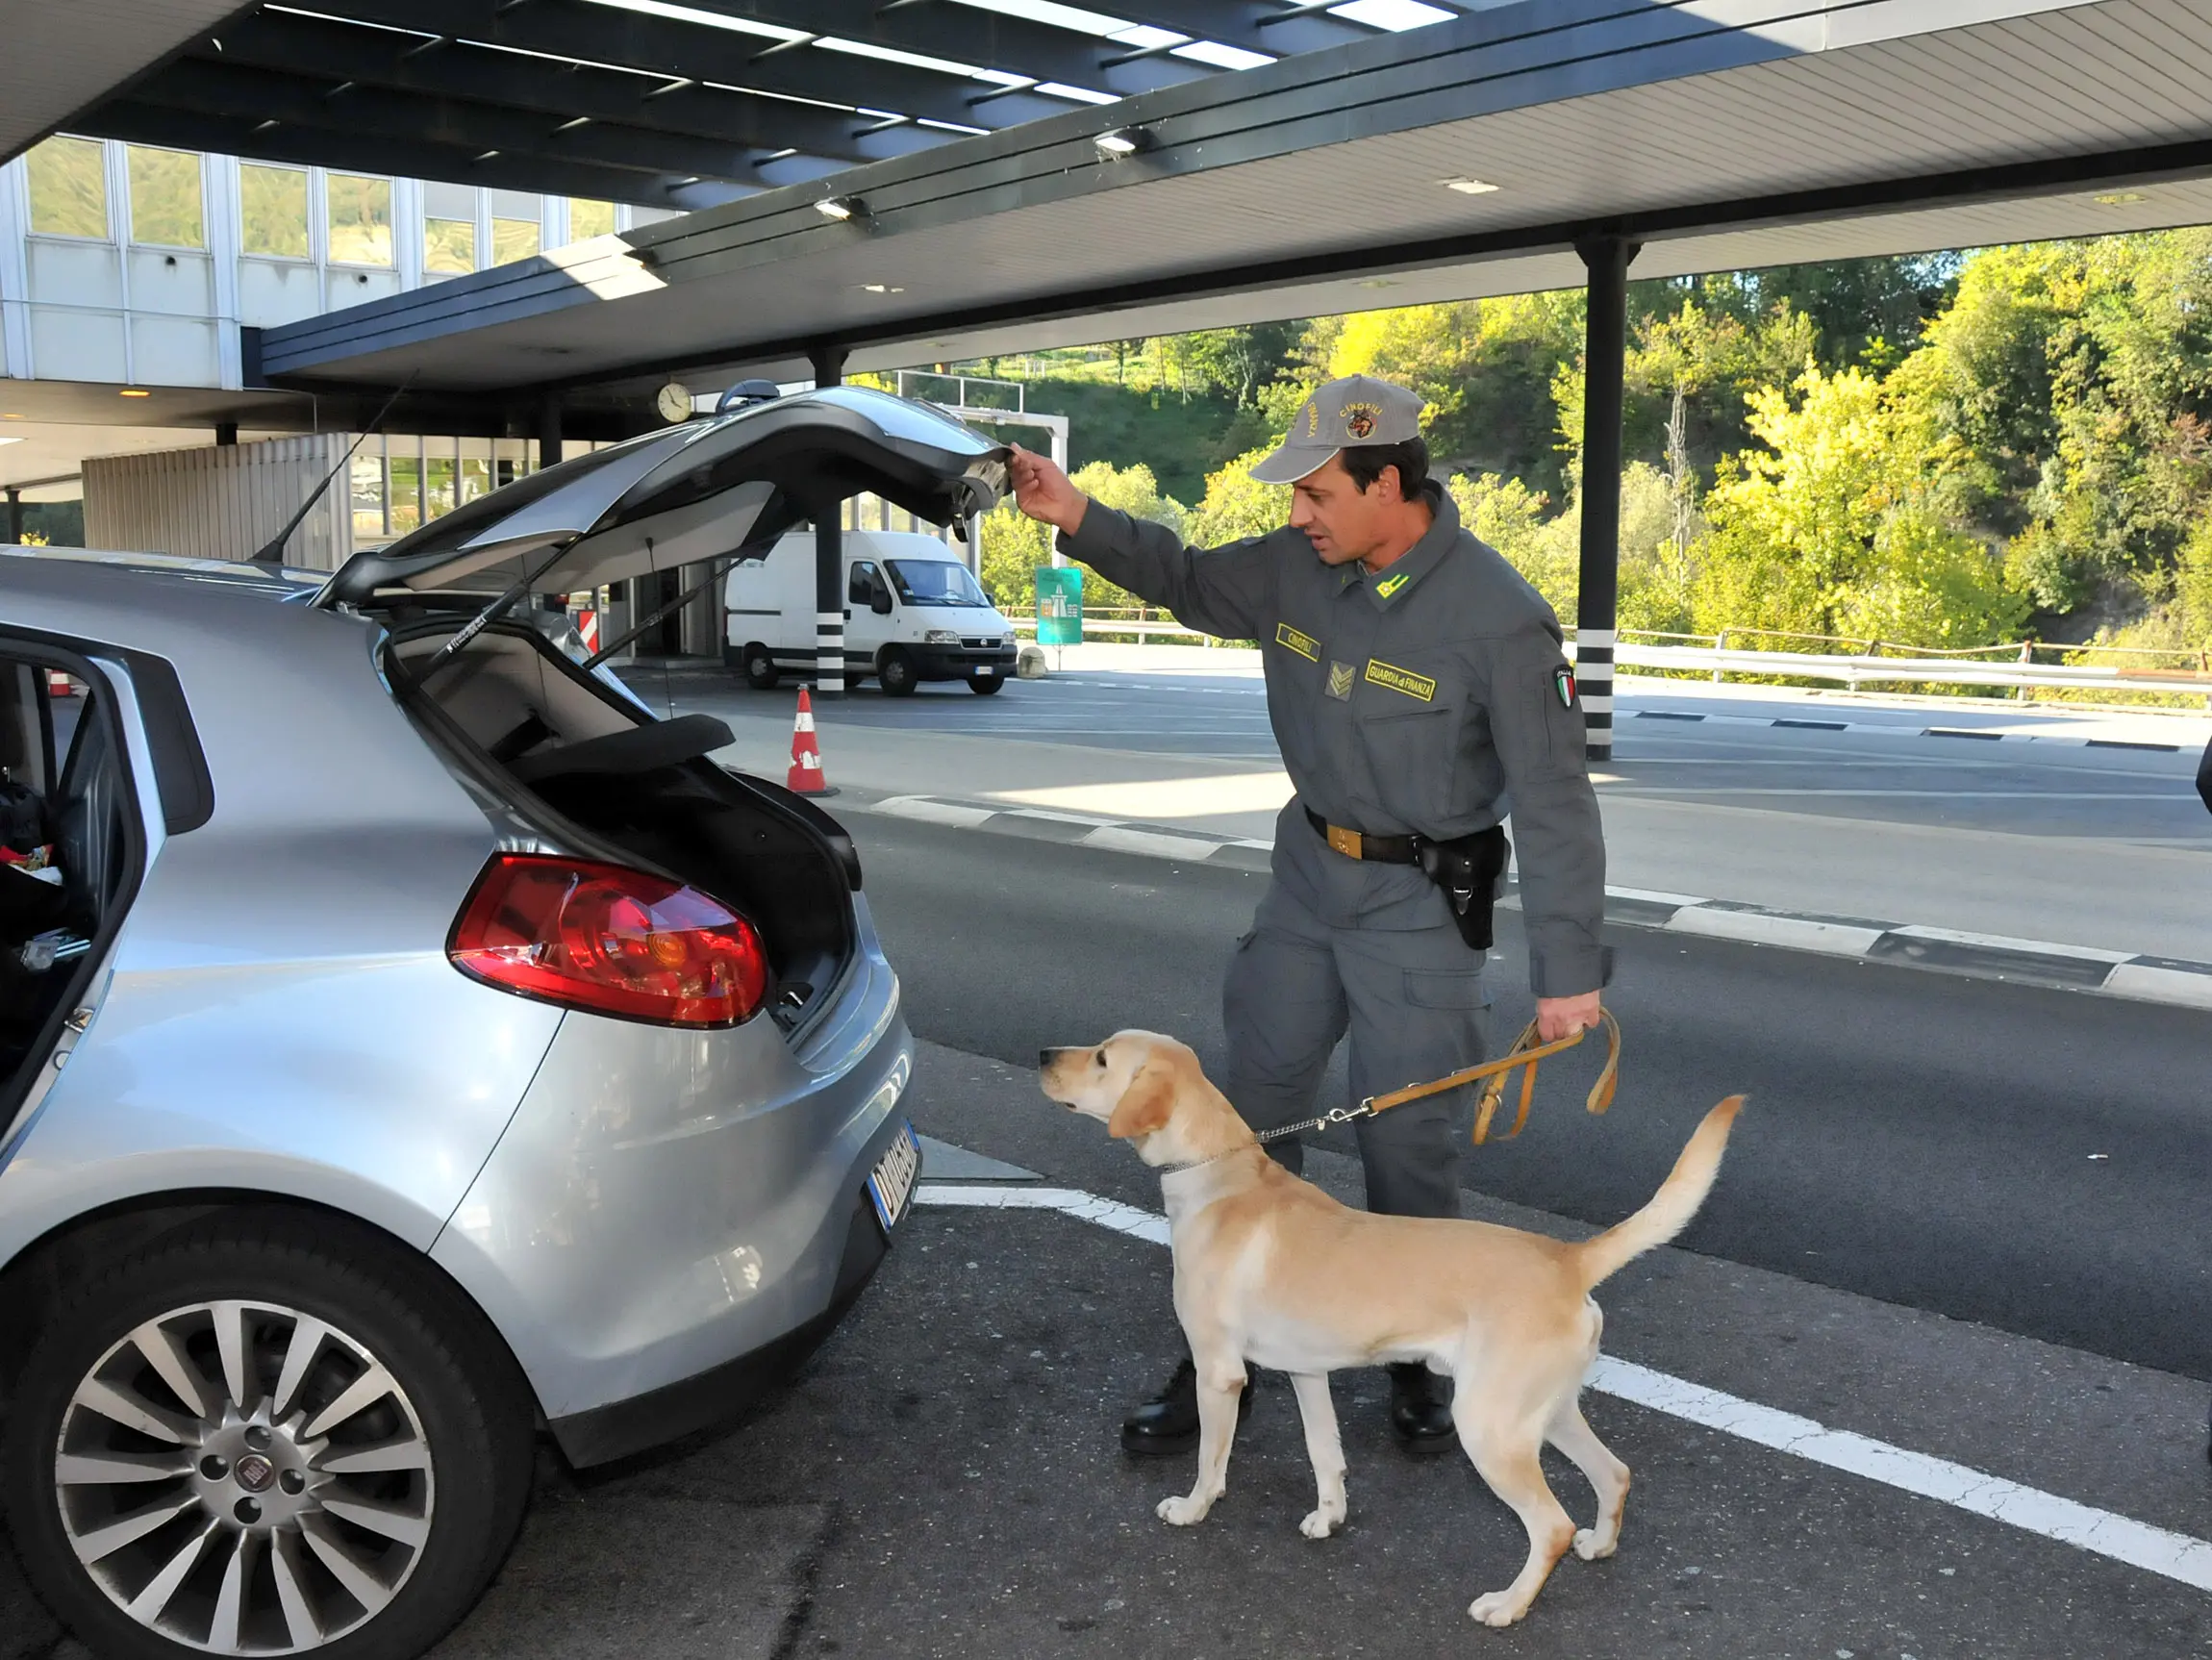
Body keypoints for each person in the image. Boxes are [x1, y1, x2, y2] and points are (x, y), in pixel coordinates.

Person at [1010, 374, 1610, 1456]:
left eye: (1318, 493)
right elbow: (1184, 578)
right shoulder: (1296, 566)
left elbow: (1554, 801)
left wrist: (1567, 970)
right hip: (1305, 884)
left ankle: (1426, 1363)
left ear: (1389, 484)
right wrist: (1074, 513)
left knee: (1404, 1141)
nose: (1296, 514)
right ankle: (1224, 1349)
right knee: (1244, 1117)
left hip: (1417, 906)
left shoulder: (1498, 618)